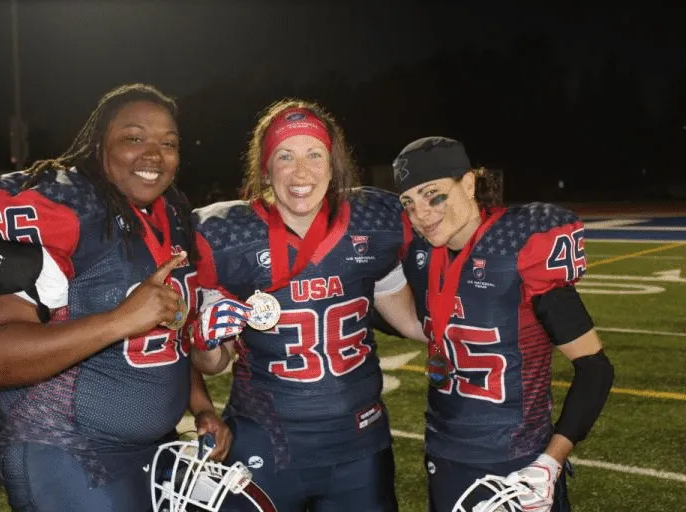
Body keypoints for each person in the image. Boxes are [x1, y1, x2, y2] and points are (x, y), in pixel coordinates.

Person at [0, 83, 231, 511]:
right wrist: (119, 320)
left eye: (169, 143)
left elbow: (165, 342)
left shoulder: (170, 216)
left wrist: (201, 407)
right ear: (98, 144)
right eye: (134, 138)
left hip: (149, 453)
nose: (154, 155)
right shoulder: (65, 213)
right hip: (63, 451)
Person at [189, 99, 426, 511]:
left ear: (332, 163)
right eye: (285, 156)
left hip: (358, 443)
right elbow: (213, 363)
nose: (301, 172)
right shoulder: (225, 237)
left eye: (314, 154)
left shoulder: (374, 223)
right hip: (265, 440)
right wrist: (205, 337)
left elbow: (412, 322)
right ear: (266, 168)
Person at [392, 136, 615, 512]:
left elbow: (595, 369)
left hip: (518, 462)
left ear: (468, 183)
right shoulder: (420, 256)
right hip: (445, 451)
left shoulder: (517, 247)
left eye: (434, 195)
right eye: (409, 202)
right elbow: (415, 321)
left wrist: (550, 462)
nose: (422, 214)